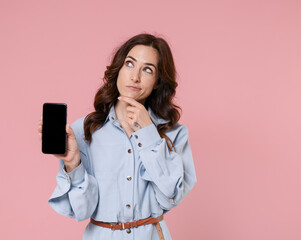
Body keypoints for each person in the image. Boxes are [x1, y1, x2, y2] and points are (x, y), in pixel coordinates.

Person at [38, 33, 197, 240]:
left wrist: (148, 133)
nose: (135, 77)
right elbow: (81, 211)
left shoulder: (174, 133)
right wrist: (73, 164)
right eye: (130, 64)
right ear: (119, 68)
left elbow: (169, 197)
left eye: (147, 69)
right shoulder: (84, 130)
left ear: (157, 81)